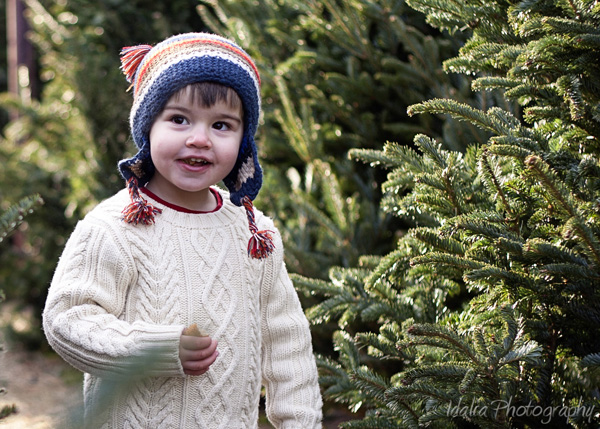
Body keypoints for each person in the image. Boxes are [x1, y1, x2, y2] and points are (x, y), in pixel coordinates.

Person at [42, 32, 323, 428]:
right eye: (178, 119)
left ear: (244, 141)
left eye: (221, 125)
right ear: (148, 126)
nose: (199, 139)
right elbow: (67, 320)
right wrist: (154, 350)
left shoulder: (255, 234)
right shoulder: (116, 226)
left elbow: (288, 347)